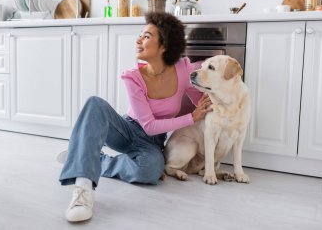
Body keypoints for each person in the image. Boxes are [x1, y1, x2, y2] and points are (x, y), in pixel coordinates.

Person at [59, 12, 212, 222]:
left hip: (153, 142)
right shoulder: (132, 77)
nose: (139, 40)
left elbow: (201, 100)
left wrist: (221, 98)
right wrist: (191, 118)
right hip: (127, 129)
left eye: (147, 36)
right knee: (94, 104)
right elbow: (148, 125)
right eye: (140, 35)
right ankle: (83, 189)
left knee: (150, 171)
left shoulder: (183, 69)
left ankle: (92, 158)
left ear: (164, 46)